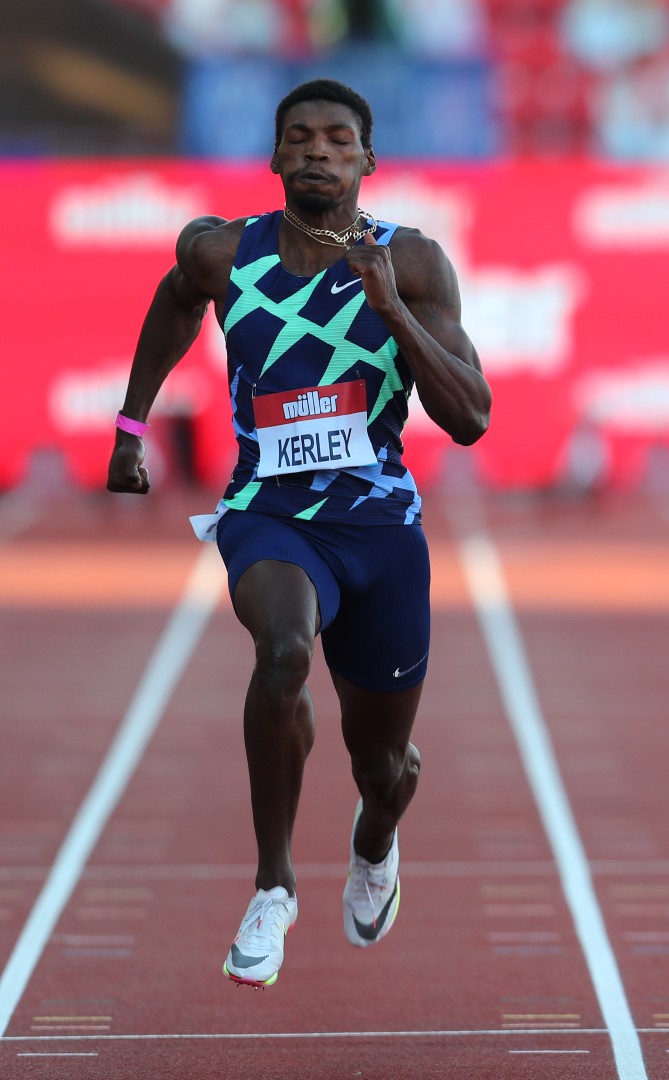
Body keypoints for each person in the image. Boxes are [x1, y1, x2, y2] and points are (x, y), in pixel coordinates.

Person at [105, 79, 491, 988]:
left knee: (382, 763)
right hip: (270, 513)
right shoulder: (221, 252)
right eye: (300, 138)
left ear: (366, 160)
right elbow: (172, 303)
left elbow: (471, 417)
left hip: (380, 527)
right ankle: (273, 884)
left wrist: (391, 308)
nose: (317, 150)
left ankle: (377, 834)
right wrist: (130, 426)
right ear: (276, 158)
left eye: (337, 138)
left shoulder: (417, 262)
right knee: (281, 652)